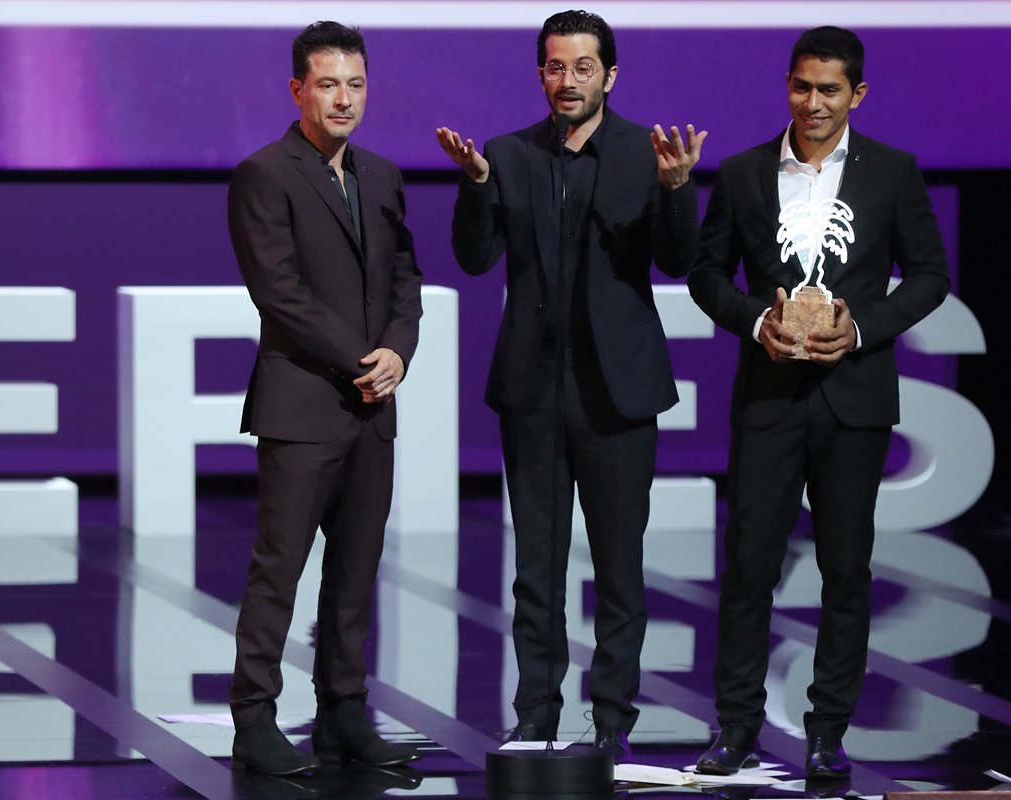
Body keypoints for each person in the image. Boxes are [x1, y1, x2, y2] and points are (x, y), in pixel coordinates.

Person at [436, 9, 705, 758]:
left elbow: (679, 262)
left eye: (583, 68)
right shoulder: (509, 154)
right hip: (533, 387)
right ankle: (535, 715)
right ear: (540, 74)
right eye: (555, 67)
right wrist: (476, 187)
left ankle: (613, 717)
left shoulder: (645, 153)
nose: (567, 81)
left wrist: (679, 190)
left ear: (609, 77)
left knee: (619, 566)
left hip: (616, 391)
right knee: (535, 567)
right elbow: (473, 258)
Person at [688, 26, 950, 779]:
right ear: (788, 87)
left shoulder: (892, 173)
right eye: (801, 87)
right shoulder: (740, 174)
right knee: (747, 568)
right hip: (768, 394)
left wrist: (861, 329)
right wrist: (754, 321)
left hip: (853, 397)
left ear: (856, 94)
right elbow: (708, 275)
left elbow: (930, 275)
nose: (813, 102)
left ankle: (827, 733)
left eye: (829, 89)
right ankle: (735, 728)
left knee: (846, 570)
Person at [226, 20, 423, 776]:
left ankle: (343, 712)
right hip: (303, 403)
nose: (344, 99)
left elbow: (405, 279)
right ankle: (254, 721)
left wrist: (397, 352)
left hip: (373, 404)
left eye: (356, 84)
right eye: (329, 83)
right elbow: (279, 293)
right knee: (279, 567)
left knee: (356, 568)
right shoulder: (265, 173)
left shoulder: (382, 175)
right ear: (298, 89)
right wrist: (358, 360)